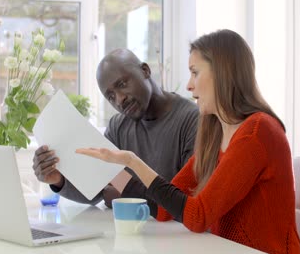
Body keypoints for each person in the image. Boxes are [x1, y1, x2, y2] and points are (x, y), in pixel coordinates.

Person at [76, 30, 300, 254]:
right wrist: (116, 171)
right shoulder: (216, 132)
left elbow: (197, 216)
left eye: (195, 73)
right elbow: (165, 209)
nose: (189, 85)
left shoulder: (258, 132)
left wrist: (131, 162)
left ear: (223, 73)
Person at [33, 48, 199, 207]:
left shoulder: (193, 120)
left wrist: (128, 196)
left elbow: (186, 199)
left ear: (145, 71)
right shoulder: (118, 127)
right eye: (110, 97)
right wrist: (58, 180)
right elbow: (96, 189)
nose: (120, 100)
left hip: (175, 234)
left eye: (122, 84)